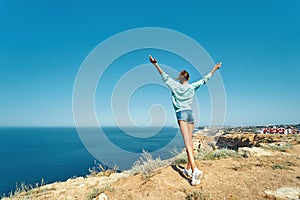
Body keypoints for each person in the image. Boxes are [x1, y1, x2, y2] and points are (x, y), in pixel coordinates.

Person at [149, 55, 222, 185]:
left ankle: (195, 170)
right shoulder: (192, 87)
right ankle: (188, 168)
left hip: (181, 114)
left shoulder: (175, 86)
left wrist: (155, 64)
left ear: (181, 77)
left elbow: (164, 75)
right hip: (190, 115)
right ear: (188, 78)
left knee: (187, 143)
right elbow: (205, 80)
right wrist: (214, 69)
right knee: (190, 141)